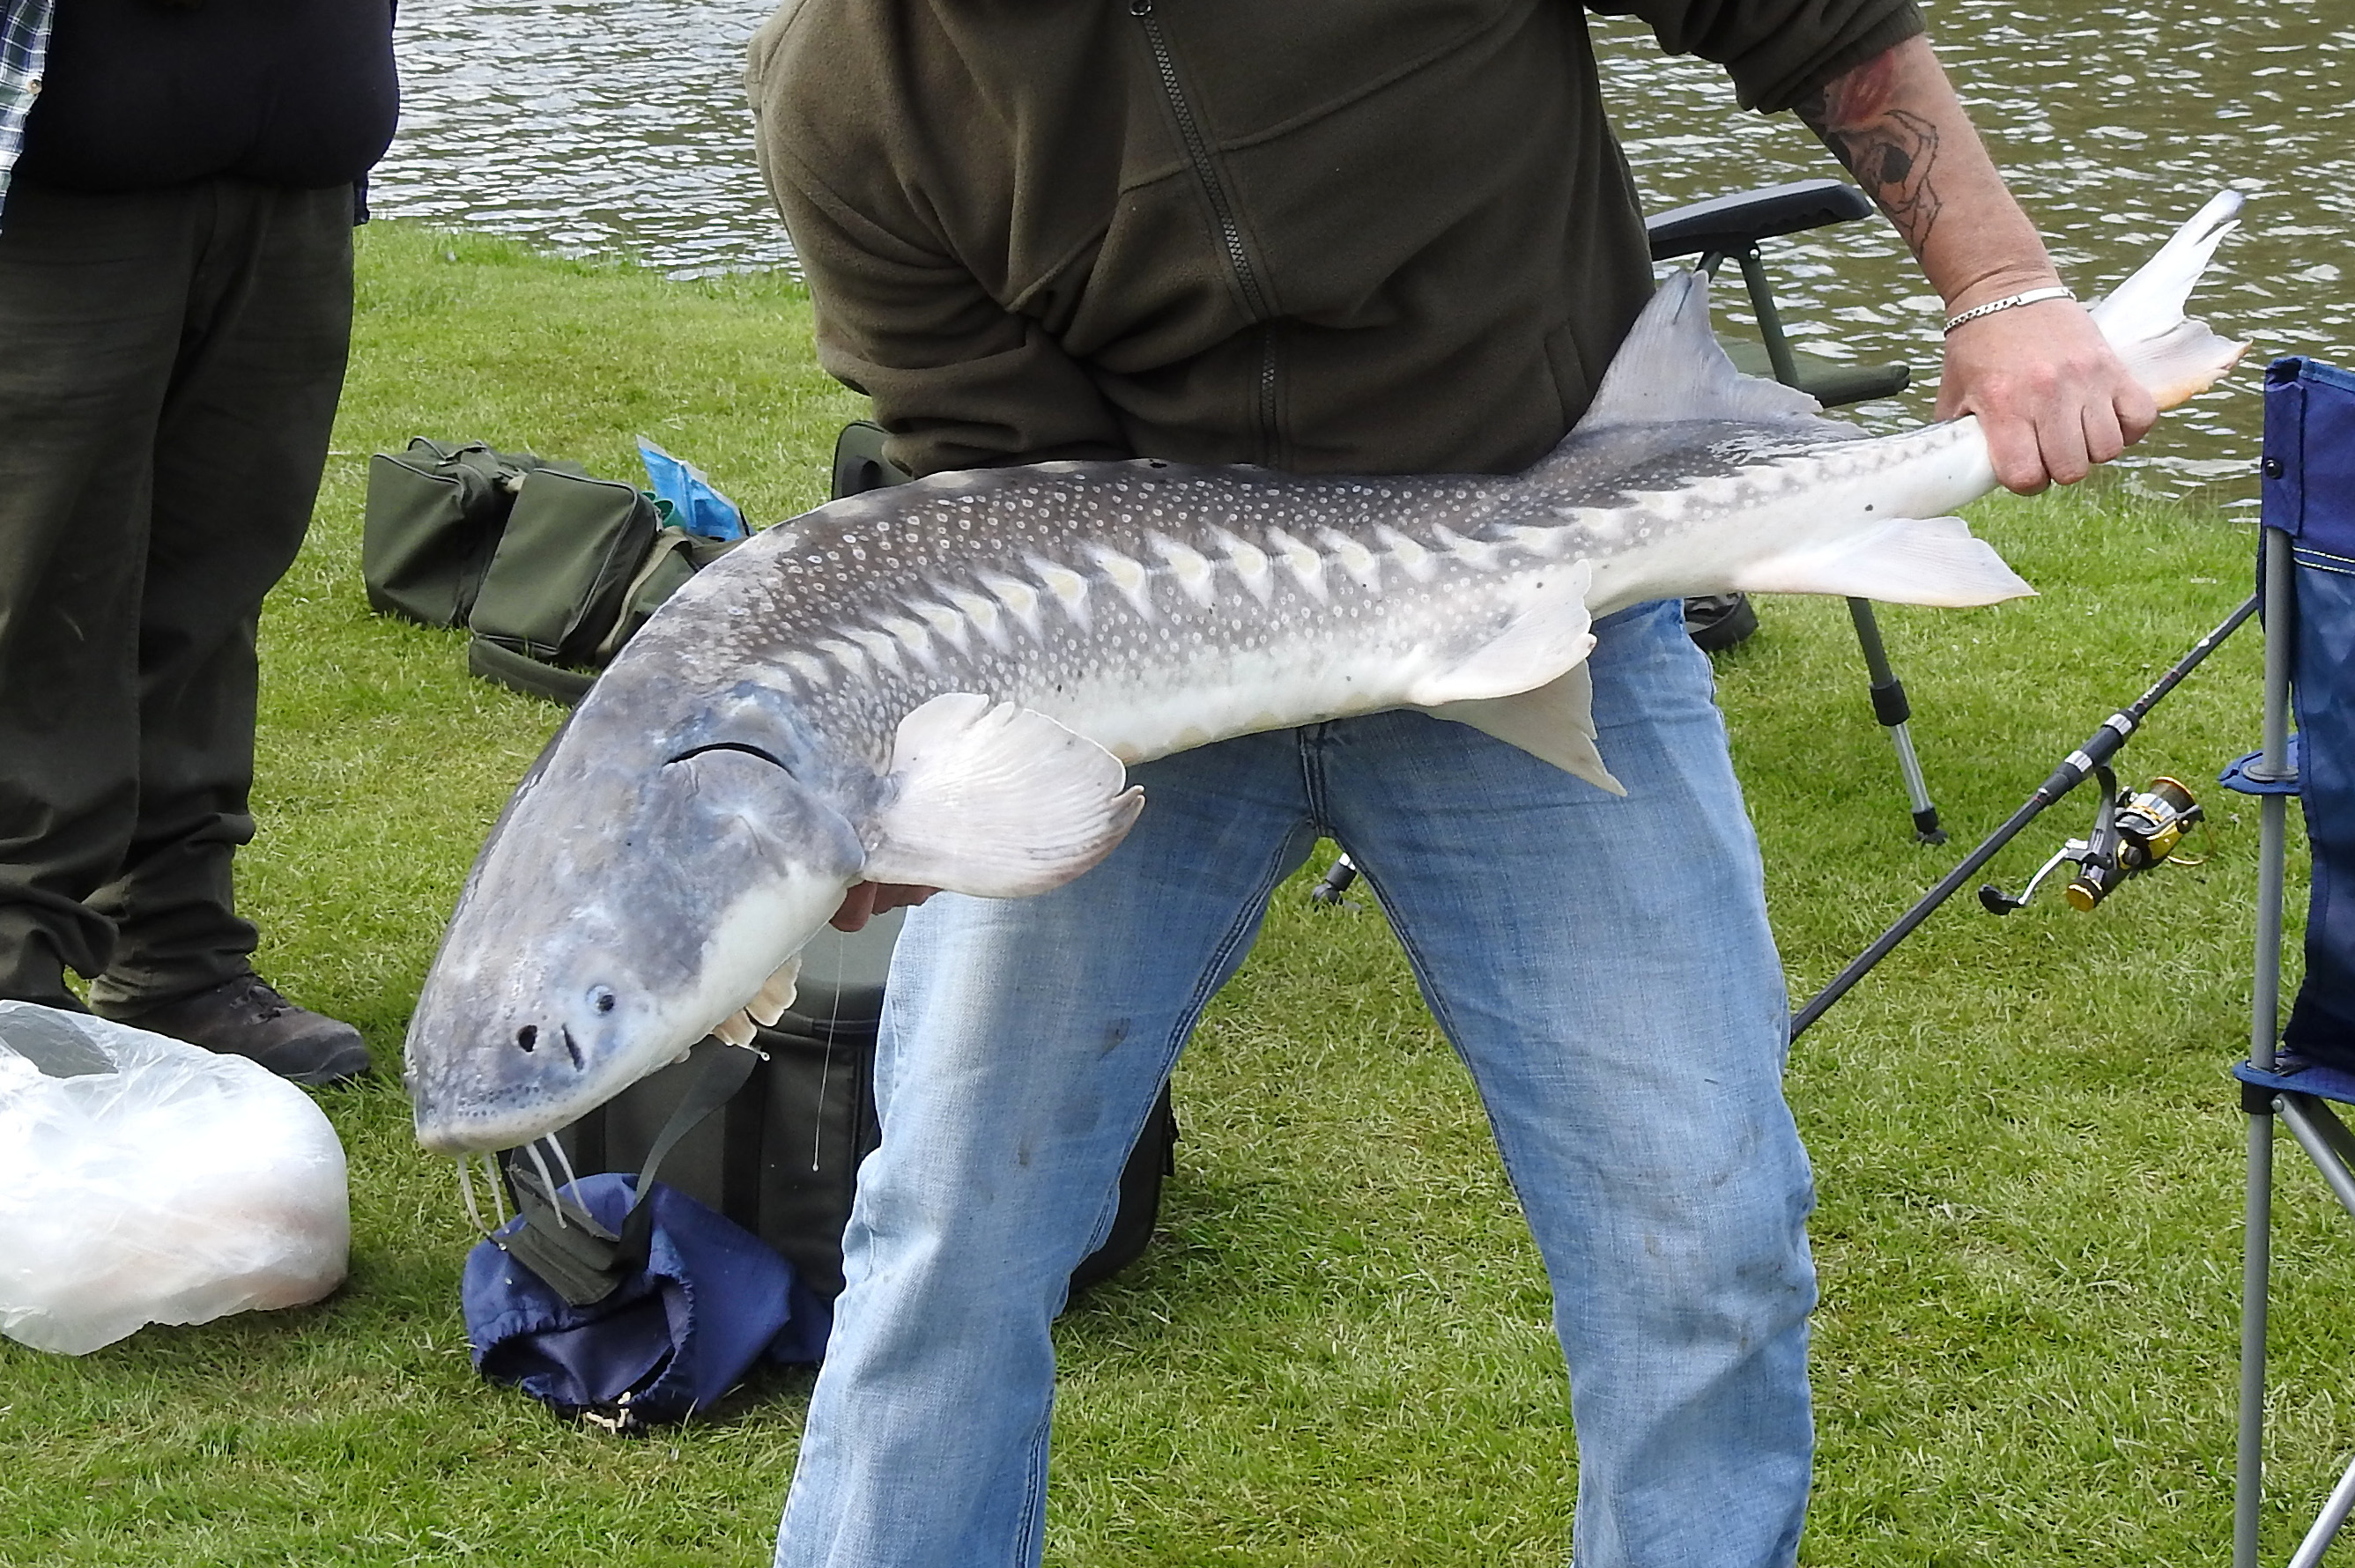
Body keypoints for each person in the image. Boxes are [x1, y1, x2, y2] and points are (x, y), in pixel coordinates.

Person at [744, 3, 2150, 1563]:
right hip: (1159, 684)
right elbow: (1002, 485)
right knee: (948, 1227)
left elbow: (1804, 16)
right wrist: (946, 799)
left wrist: (2002, 284)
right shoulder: (849, 86)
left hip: (1553, 583)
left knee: (1699, 1243)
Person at [0, 0, 399, 1084]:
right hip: (51, 188)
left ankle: (177, 956)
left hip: (294, 155)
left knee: (211, 594)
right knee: (32, 599)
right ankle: (10, 978)